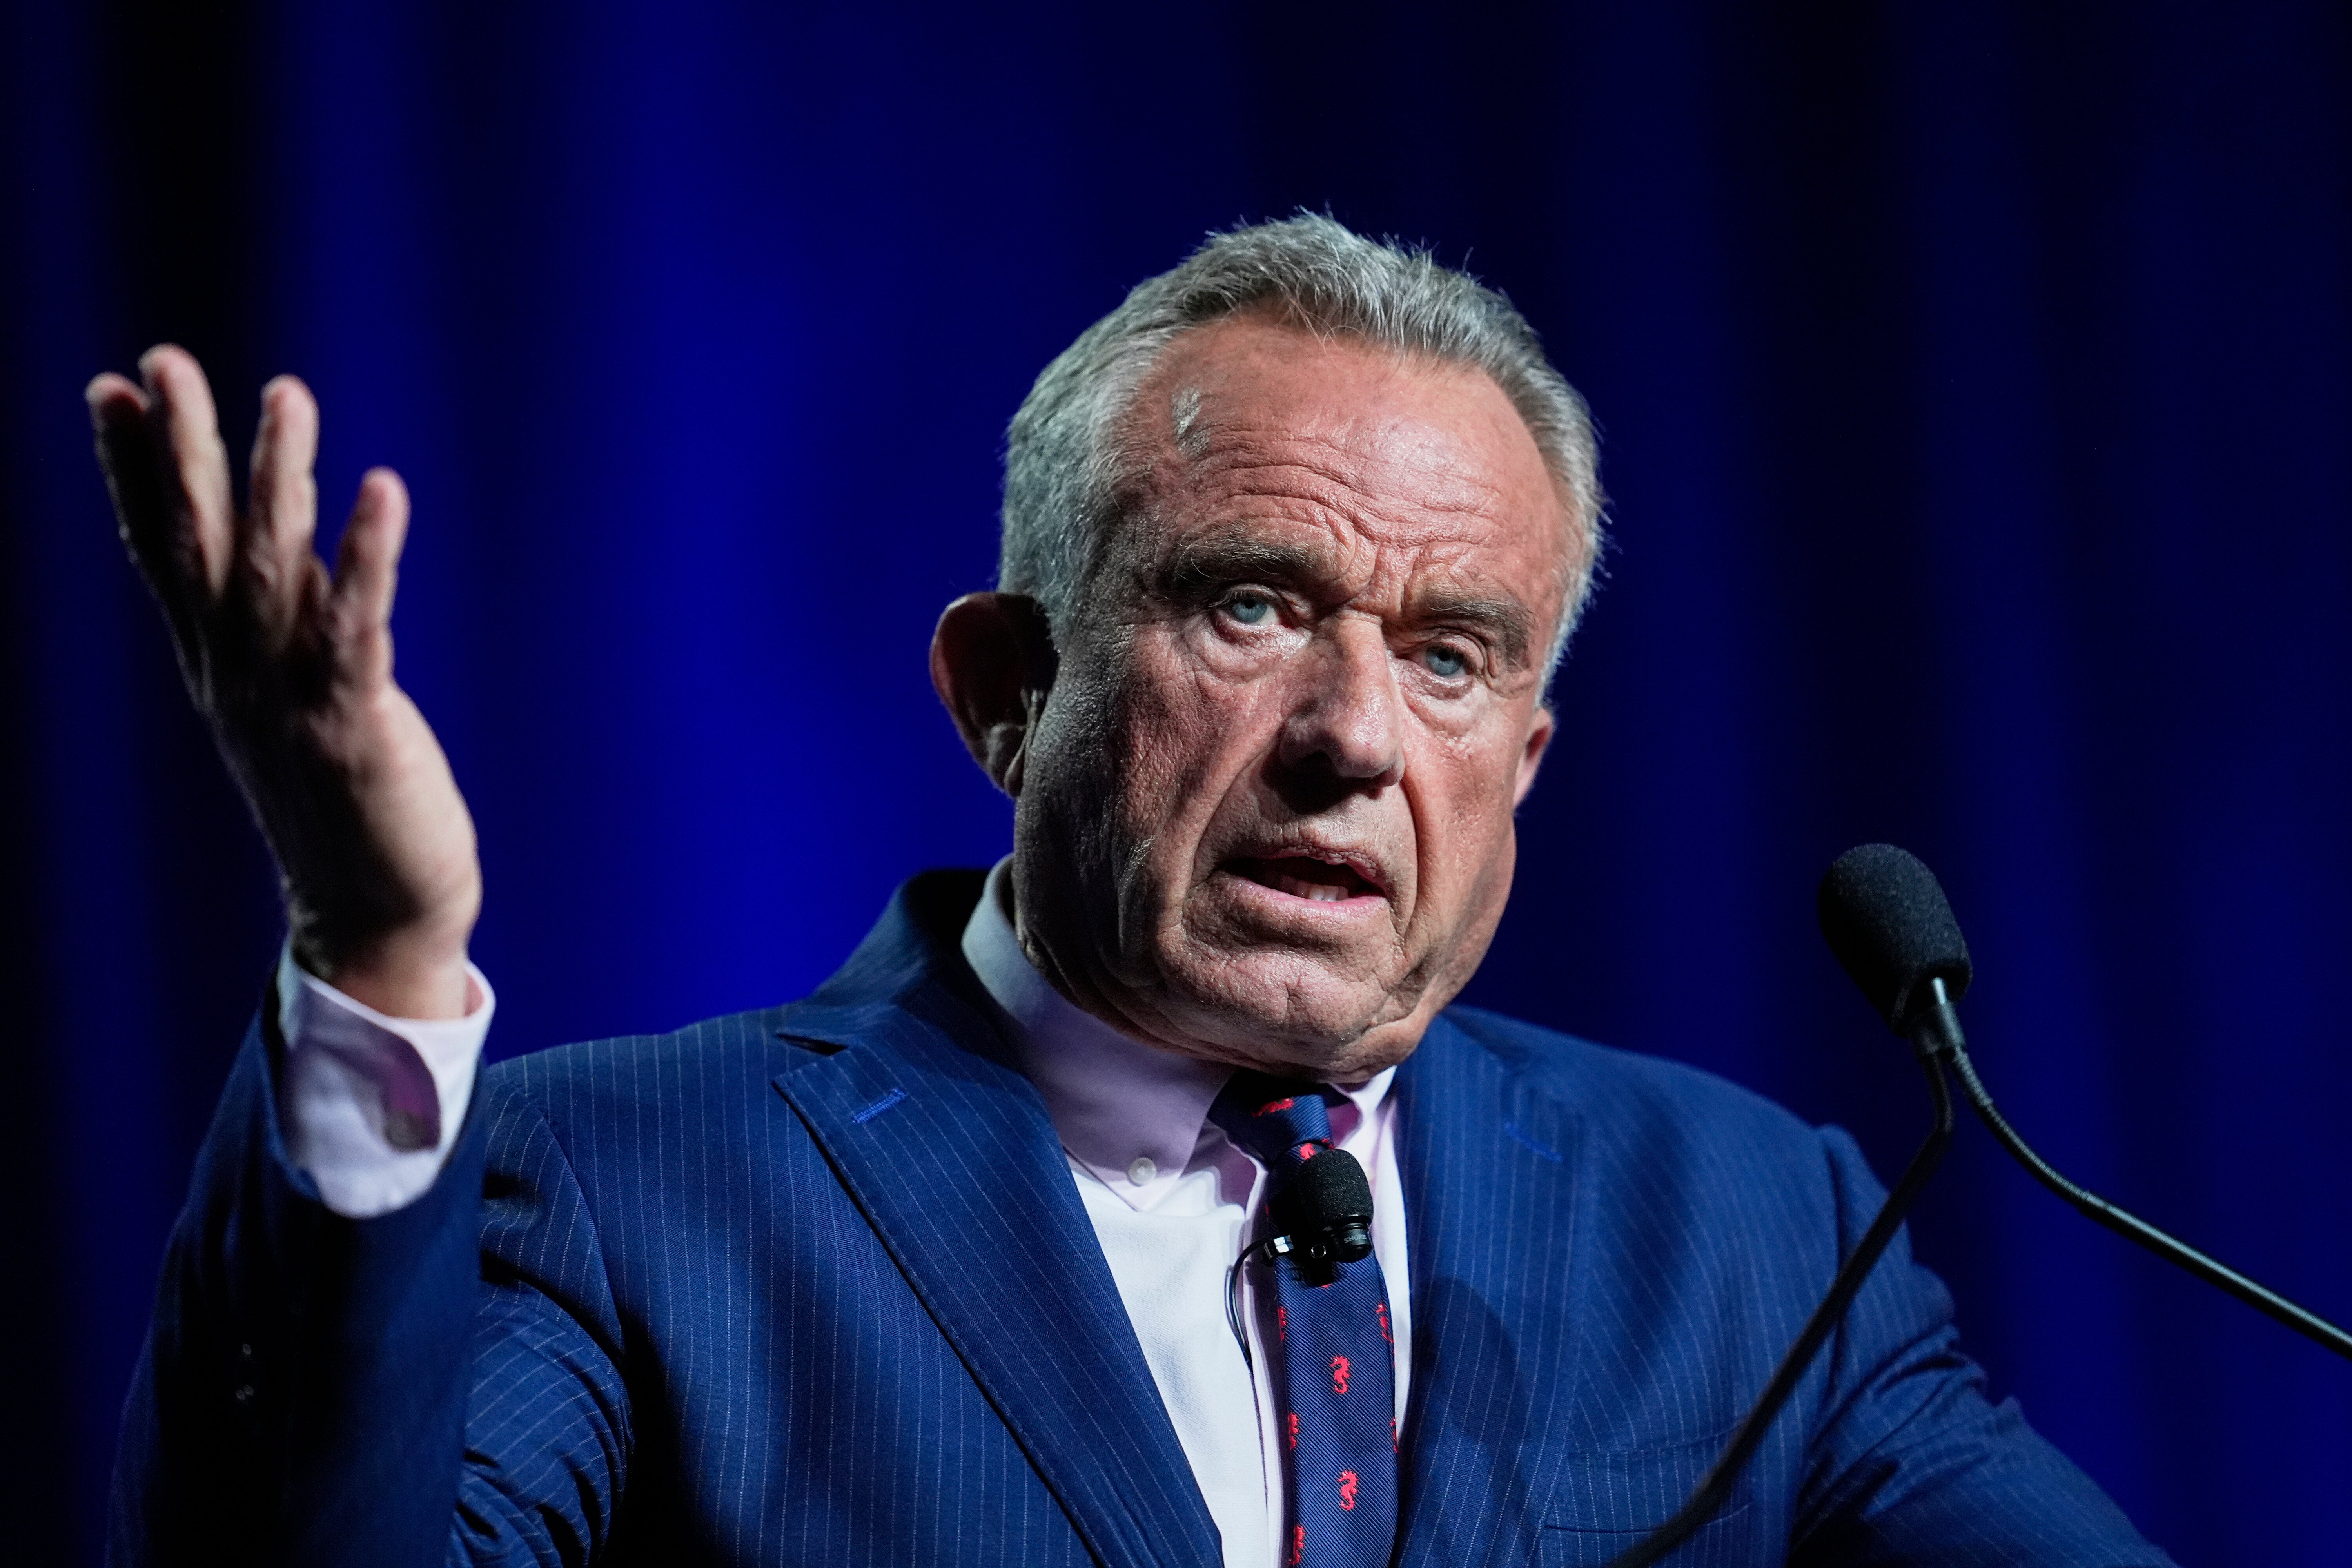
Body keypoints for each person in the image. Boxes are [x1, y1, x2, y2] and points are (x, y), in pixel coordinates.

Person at [90, 217, 2171, 1567]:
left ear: (1523, 763)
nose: (1354, 730)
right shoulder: (633, 1188)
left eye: (1451, 653)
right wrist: (375, 951)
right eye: (1255, 605)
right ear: (1010, 695)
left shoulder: (1749, 1228)